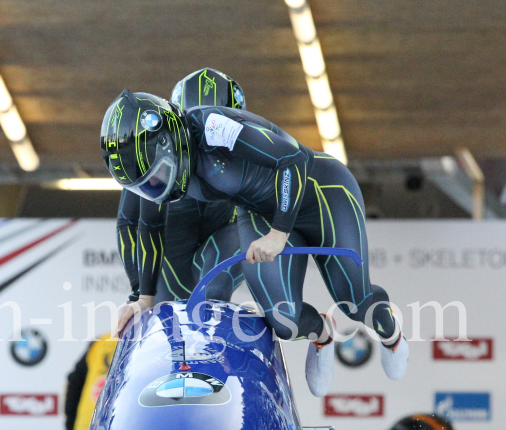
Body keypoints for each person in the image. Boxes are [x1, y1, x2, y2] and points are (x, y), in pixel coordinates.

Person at [102, 88, 407, 397]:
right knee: (284, 320)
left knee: (355, 300)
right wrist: (142, 297)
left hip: (321, 192)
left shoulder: (214, 127)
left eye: (157, 176)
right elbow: (149, 226)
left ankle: (392, 334)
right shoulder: (159, 172)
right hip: (260, 213)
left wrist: (279, 232)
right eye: (147, 186)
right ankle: (322, 333)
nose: (157, 187)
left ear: (172, 143)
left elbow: (293, 159)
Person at [116, 68, 245, 311]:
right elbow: (129, 223)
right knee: (169, 311)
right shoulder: (152, 155)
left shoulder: (251, 148)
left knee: (214, 292)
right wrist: (139, 293)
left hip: (223, 234)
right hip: (171, 249)